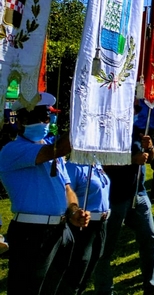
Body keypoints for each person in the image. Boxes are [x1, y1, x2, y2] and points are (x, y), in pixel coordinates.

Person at [0, 93, 91, 294]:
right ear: (21, 121)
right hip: (31, 232)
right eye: (38, 117)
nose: (44, 122)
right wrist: (86, 116)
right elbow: (58, 149)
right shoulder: (13, 150)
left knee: (54, 288)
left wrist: (74, 210)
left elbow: (67, 188)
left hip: (60, 230)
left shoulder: (50, 149)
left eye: (47, 117)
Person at [95, 128, 154, 295]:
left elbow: (150, 158)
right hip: (114, 197)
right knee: (105, 247)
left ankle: (152, 285)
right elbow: (101, 163)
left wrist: (150, 148)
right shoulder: (107, 131)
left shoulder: (137, 131)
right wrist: (132, 160)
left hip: (139, 193)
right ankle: (104, 290)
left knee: (149, 238)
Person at [59, 160, 112, 294]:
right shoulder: (73, 167)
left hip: (101, 224)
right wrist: (74, 212)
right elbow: (65, 195)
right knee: (77, 269)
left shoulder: (96, 164)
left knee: (89, 269)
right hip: (83, 225)